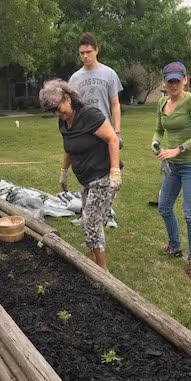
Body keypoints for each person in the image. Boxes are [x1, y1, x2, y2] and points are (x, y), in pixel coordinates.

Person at [39, 79, 121, 270]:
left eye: (59, 108)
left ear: (68, 98)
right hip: (87, 180)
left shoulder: (89, 115)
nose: (58, 113)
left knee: (91, 222)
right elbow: (69, 148)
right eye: (53, 111)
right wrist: (64, 171)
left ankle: (102, 272)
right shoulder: (64, 122)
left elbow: (112, 139)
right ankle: (93, 261)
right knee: (88, 222)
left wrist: (115, 171)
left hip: (103, 176)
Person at [151, 62, 191, 278]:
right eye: (169, 80)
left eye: (177, 79)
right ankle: (175, 246)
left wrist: (179, 149)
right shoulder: (161, 102)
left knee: (190, 214)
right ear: (164, 82)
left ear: (185, 79)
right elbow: (159, 130)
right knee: (164, 207)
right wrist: (155, 142)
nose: (173, 84)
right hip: (173, 167)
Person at [69, 32, 123, 228]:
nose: (85, 56)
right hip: (84, 133)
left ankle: (106, 214)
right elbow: (73, 108)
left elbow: (115, 104)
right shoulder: (75, 78)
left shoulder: (109, 74)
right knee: (86, 174)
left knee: (106, 175)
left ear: (97, 50)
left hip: (104, 132)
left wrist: (116, 131)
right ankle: (87, 214)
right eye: (81, 53)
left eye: (88, 52)